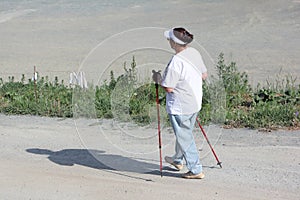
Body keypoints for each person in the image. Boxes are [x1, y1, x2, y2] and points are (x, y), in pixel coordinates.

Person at [152, 27, 208, 179]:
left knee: (184, 136)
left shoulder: (176, 61)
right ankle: (177, 160)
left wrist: (158, 80)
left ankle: (196, 170)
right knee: (184, 133)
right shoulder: (194, 53)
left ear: (174, 43)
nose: (168, 41)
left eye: (169, 39)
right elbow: (204, 75)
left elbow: (169, 87)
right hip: (195, 102)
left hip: (180, 106)